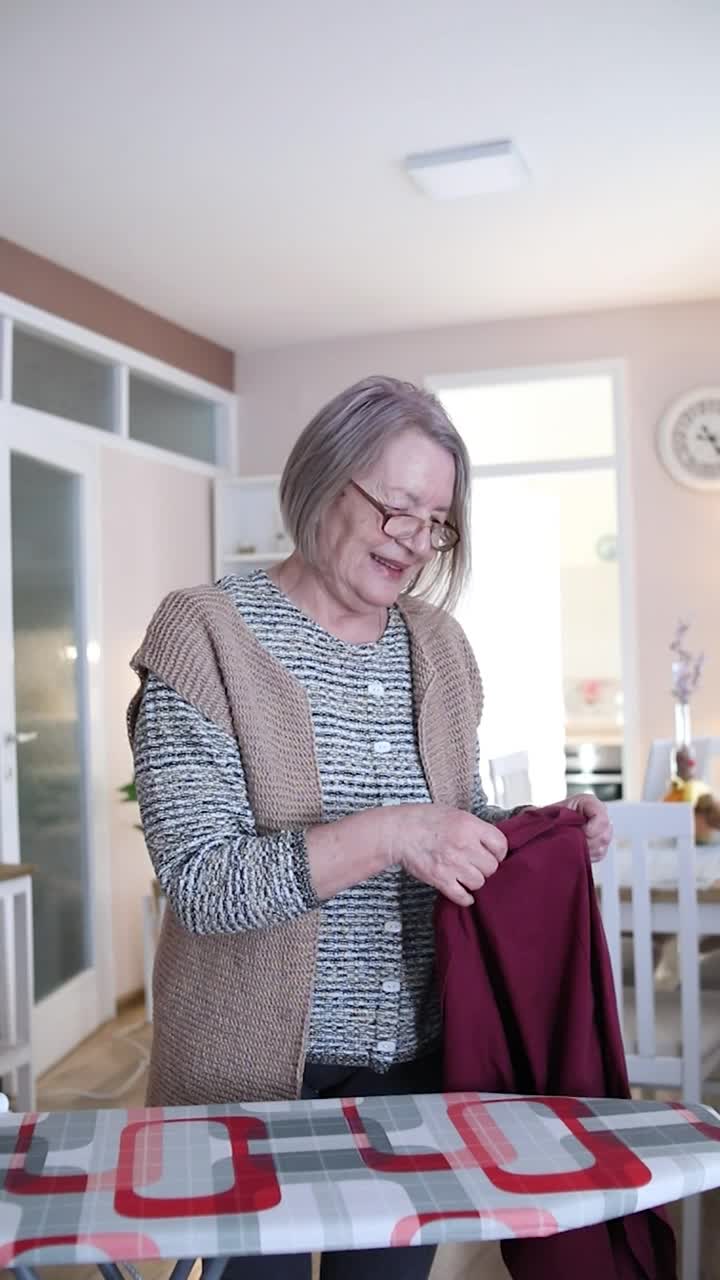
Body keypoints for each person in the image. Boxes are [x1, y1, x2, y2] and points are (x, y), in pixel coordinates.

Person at [128, 375, 612, 1280]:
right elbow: (202, 884)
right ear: (322, 481)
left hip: (413, 1070)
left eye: (436, 522)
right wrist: (389, 834)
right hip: (251, 1081)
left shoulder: (440, 646)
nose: (416, 541)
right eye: (397, 508)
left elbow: (453, 818)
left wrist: (539, 834)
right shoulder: (206, 634)